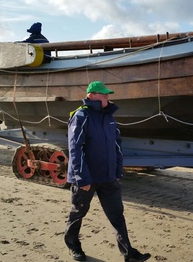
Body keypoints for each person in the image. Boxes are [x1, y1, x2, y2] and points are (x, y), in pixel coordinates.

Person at [65, 81, 151, 262]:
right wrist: (82, 178)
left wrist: (118, 171)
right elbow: (75, 149)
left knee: (117, 215)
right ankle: (74, 247)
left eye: (108, 94)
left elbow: (116, 146)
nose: (107, 97)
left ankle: (129, 254)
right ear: (91, 95)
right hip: (86, 178)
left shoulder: (110, 118)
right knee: (77, 213)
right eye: (103, 94)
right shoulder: (81, 116)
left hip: (108, 177)